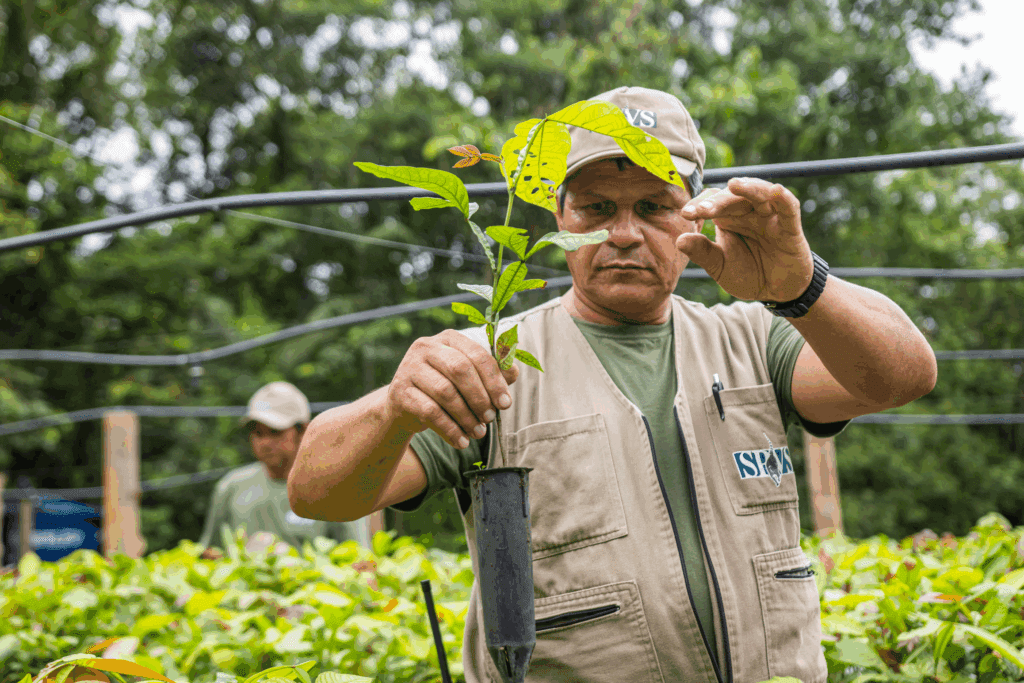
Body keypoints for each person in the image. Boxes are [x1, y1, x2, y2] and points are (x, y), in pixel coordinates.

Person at [286, 86, 938, 683]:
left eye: (654, 206)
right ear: (560, 217)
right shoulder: (495, 361)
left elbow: (903, 375)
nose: (623, 234)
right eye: (598, 207)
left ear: (696, 216)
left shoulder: (754, 339)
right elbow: (316, 489)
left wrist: (802, 286)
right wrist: (398, 406)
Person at [198, 381, 371, 556]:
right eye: (257, 433)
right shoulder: (231, 486)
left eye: (275, 431)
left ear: (303, 431)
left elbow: (359, 563)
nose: (264, 443)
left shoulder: (337, 489)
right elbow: (211, 554)